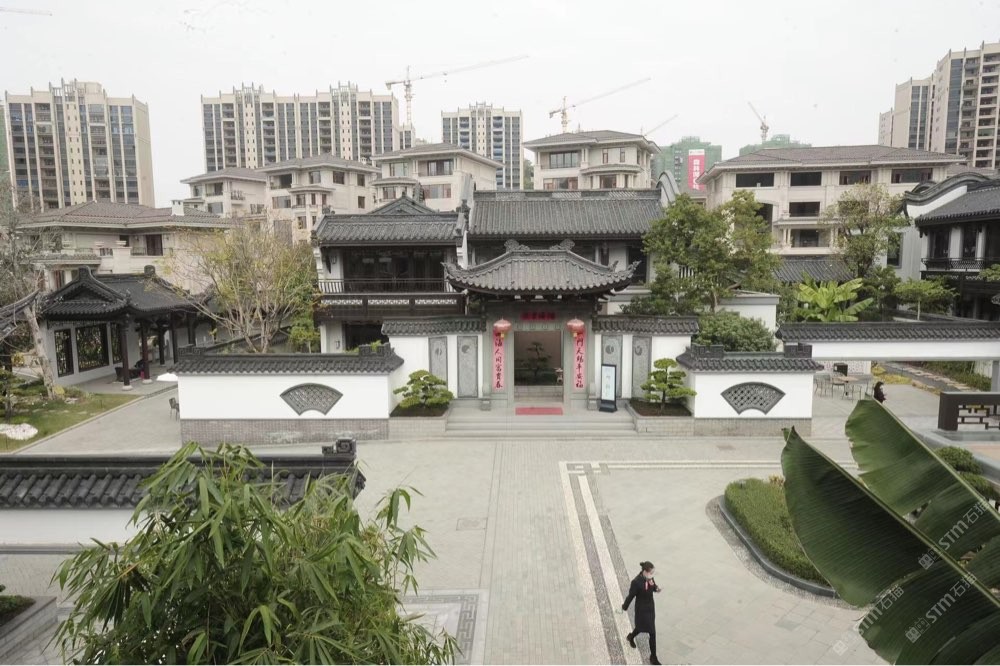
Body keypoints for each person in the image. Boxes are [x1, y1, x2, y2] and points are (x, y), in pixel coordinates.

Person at [622, 561, 661, 665]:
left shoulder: (650, 578)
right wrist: (624, 606)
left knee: (652, 632)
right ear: (645, 572)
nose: (652, 575)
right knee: (640, 628)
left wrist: (656, 588)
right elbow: (631, 596)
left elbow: (653, 587)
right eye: (651, 573)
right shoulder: (636, 582)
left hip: (650, 609)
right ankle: (631, 637)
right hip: (641, 610)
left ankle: (653, 657)